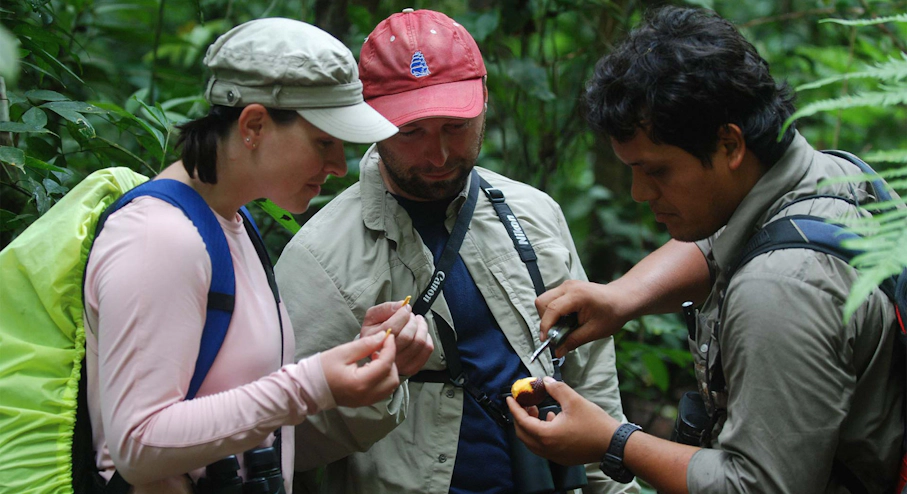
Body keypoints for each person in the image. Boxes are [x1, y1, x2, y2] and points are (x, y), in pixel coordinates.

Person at [506, 6, 904, 494]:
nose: (638, 192)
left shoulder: (779, 290)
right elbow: (722, 243)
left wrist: (613, 440)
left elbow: (759, 486)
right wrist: (622, 298)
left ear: (729, 145)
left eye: (656, 171)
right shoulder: (830, 176)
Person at [274, 8, 637, 494]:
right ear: (369, 122)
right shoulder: (320, 258)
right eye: (411, 132)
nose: (439, 155)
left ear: (483, 102)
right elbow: (283, 443)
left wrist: (612, 476)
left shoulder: (535, 215)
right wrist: (372, 385)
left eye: (455, 126)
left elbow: (590, 381)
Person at [81, 18, 429, 493]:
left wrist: (355, 354)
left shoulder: (232, 223)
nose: (338, 166)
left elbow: (228, 390)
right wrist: (313, 385)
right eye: (324, 141)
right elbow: (138, 445)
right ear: (254, 125)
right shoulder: (157, 238)